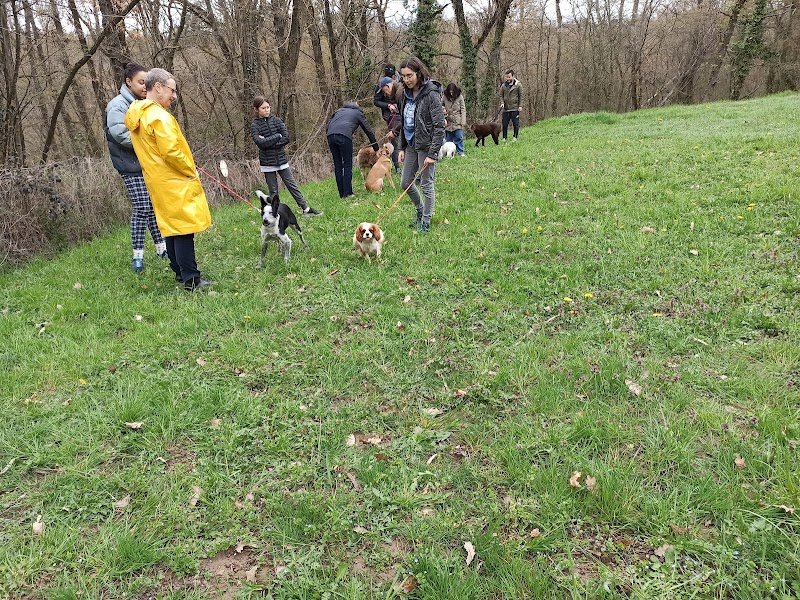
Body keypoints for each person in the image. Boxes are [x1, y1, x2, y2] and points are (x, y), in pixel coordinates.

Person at [125, 68, 213, 291]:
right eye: (171, 90)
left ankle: (180, 273)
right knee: (183, 229)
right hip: (173, 179)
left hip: (157, 180)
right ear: (158, 87)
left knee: (171, 228)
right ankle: (191, 279)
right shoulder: (158, 116)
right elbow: (171, 152)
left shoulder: (140, 114)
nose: (174, 96)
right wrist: (189, 169)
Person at [105, 62, 167, 273]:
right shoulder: (118, 105)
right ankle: (137, 257)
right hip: (129, 165)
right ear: (128, 82)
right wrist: (149, 142)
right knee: (142, 207)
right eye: (141, 82)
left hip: (145, 164)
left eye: (146, 82)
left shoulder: (143, 104)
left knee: (151, 206)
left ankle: (161, 249)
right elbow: (120, 135)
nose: (144, 86)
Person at [395, 57, 446, 233]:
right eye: (403, 76)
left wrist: (432, 154)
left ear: (418, 73)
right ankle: (420, 210)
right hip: (410, 145)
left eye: (410, 75)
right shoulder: (403, 94)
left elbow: (440, 126)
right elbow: (403, 122)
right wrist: (401, 148)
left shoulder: (431, 93)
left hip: (426, 146)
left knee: (426, 184)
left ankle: (426, 220)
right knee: (406, 183)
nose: (407, 79)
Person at [251, 97, 321, 216]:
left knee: (292, 185)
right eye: (263, 108)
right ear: (257, 109)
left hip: (282, 160)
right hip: (267, 163)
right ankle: (275, 213)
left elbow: (286, 138)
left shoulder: (277, 121)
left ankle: (306, 209)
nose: (267, 110)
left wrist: (269, 142)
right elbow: (260, 143)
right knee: (273, 191)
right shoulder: (255, 125)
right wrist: (277, 136)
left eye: (268, 107)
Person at [326, 102, 379, 199]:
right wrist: (376, 148)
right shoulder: (357, 113)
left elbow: (328, 124)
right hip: (344, 136)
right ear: (358, 107)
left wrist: (330, 136)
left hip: (330, 136)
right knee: (347, 164)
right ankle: (348, 193)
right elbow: (368, 131)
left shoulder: (338, 111)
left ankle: (342, 194)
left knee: (338, 165)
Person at [373, 76, 401, 171]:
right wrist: (388, 105)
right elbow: (376, 101)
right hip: (390, 116)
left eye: (385, 91)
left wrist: (398, 105)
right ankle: (397, 166)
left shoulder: (400, 90)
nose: (385, 93)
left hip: (400, 115)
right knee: (394, 140)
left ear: (389, 85)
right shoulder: (380, 86)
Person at [443, 82, 467, 157]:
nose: (451, 93)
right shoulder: (444, 97)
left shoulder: (460, 97)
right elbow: (441, 105)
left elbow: (463, 109)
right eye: (450, 91)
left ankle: (461, 152)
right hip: (448, 121)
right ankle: (448, 154)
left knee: (459, 137)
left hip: (458, 120)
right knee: (448, 139)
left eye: (452, 91)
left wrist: (463, 122)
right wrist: (443, 110)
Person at [499, 69, 523, 142]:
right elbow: (500, 95)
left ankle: (515, 137)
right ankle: (504, 138)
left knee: (515, 124)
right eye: (506, 77)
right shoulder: (503, 86)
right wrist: (502, 102)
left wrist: (520, 105)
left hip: (515, 108)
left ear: (513, 76)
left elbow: (521, 96)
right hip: (506, 108)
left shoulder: (518, 85)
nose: (507, 79)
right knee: (505, 124)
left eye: (509, 77)